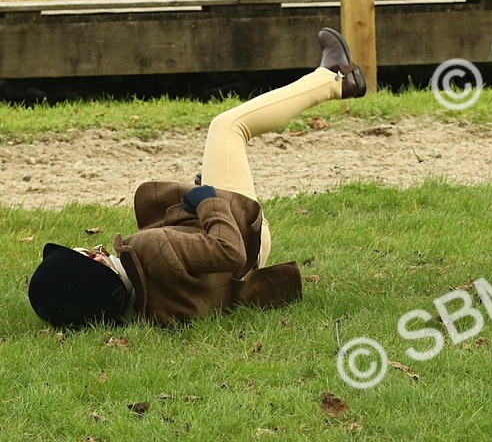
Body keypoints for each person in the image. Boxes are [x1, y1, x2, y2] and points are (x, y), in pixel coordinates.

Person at [27, 28, 367, 328]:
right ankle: (335, 79)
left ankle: (333, 78)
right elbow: (227, 250)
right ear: (95, 260)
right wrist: (207, 201)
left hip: (238, 273)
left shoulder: (146, 310)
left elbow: (191, 271)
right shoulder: (148, 248)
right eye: (86, 251)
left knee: (221, 144)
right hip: (245, 238)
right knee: (228, 127)